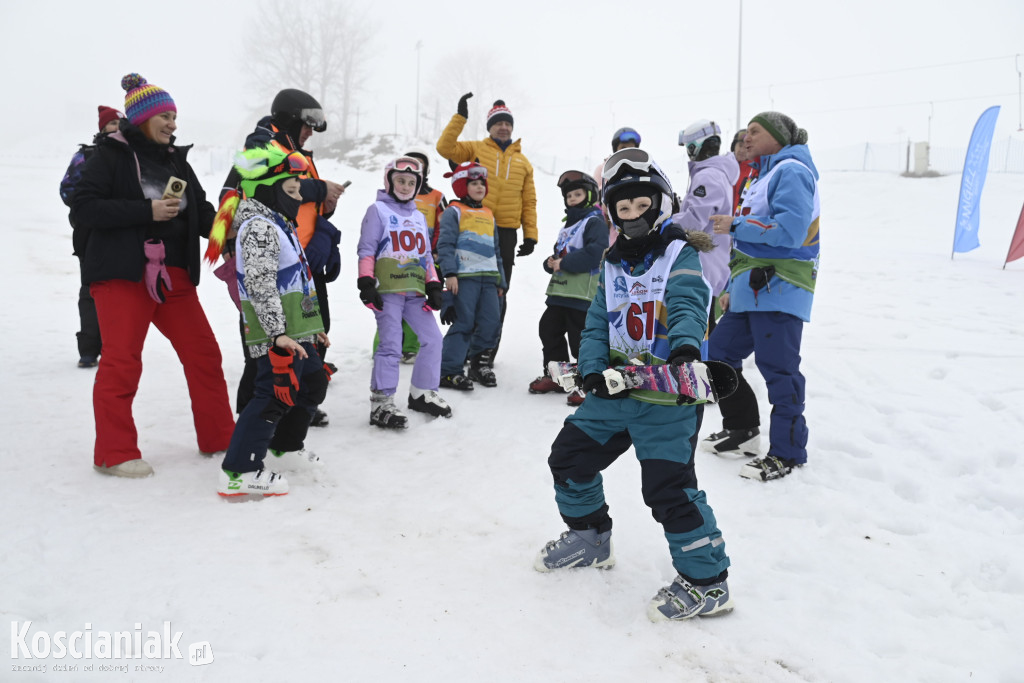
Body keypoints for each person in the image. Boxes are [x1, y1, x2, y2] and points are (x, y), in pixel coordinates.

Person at [534, 148, 733, 623]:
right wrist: (590, 368)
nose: (632, 215)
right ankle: (590, 536)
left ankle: (708, 583)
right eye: (622, 208)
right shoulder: (610, 264)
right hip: (616, 392)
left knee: (669, 489)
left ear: (661, 204)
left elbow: (687, 303)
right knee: (569, 458)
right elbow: (597, 323)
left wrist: (685, 352)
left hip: (665, 397)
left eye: (641, 205)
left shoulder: (679, 253)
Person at [72, 73, 235, 478]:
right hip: (122, 275)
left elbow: (197, 208)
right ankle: (113, 453)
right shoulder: (109, 155)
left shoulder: (176, 159)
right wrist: (145, 212)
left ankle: (220, 439)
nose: (173, 125)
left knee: (204, 356)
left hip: (173, 275)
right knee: (122, 362)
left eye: (175, 117)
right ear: (143, 117)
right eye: (165, 116)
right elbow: (84, 208)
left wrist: (228, 229)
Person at [217, 89, 345, 431]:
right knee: (264, 342)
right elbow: (244, 189)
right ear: (290, 119)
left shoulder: (294, 151)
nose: (310, 133)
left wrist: (325, 216)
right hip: (272, 262)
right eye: (307, 125)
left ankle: (296, 403)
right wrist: (320, 189)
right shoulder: (263, 146)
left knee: (313, 332)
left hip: (302, 258)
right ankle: (251, 416)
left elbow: (301, 200)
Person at [706, 111, 820, 481]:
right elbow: (749, 245)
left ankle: (788, 453)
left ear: (778, 136)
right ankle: (743, 429)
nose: (747, 138)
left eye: (756, 131)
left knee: (779, 371)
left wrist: (735, 223)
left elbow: (790, 232)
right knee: (718, 354)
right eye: (746, 132)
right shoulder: (763, 175)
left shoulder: (792, 171)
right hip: (750, 290)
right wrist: (729, 289)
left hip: (781, 289)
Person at [217, 145, 331, 497]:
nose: (298, 199)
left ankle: (284, 447)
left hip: (299, 331)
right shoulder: (260, 228)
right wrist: (276, 334)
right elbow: (260, 284)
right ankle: (239, 471)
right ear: (267, 189)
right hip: (276, 333)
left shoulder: (278, 223)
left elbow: (297, 280)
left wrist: (314, 328)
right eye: (292, 191)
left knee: (311, 383)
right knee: (273, 395)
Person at [435, 93, 537, 361]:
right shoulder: (476, 149)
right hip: (472, 226)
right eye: (497, 123)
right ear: (490, 127)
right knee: (469, 292)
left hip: (504, 233)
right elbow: (445, 148)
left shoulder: (524, 162)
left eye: (507, 123)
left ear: (512, 128)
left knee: (497, 294)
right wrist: (460, 118)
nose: (503, 127)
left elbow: (529, 200)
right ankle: (462, 349)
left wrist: (530, 235)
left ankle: (485, 353)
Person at [357, 157, 450, 429]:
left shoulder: (419, 216)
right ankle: (381, 402)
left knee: (433, 340)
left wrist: (433, 283)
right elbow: (367, 249)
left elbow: (425, 256)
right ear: (389, 181)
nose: (406, 186)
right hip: (388, 289)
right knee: (391, 346)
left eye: (412, 182)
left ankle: (422, 392)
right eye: (401, 180)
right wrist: (365, 281)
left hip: (415, 289)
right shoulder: (378, 210)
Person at [527, 170, 608, 406]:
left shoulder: (595, 221)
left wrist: (565, 262)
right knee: (548, 329)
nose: (572, 199)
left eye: (577, 194)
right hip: (560, 293)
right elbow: (561, 253)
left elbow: (595, 254)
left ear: (590, 195)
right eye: (569, 195)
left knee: (580, 340)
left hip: (581, 295)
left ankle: (588, 382)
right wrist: (550, 262)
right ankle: (559, 376)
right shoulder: (569, 226)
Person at [371, 147, 450, 365]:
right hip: (394, 261)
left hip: (423, 259)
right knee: (390, 307)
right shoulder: (389, 199)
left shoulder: (436, 197)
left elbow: (442, 226)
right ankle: (383, 348)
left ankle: (411, 348)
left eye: (419, 165)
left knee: (418, 303)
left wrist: (435, 253)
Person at [60, 105, 122, 368]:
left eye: (121, 125)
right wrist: (92, 205)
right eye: (112, 125)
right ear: (102, 128)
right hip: (91, 234)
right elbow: (67, 190)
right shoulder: (85, 156)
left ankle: (116, 346)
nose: (117, 130)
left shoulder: (131, 155)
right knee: (91, 290)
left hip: (122, 231)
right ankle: (89, 347)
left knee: (120, 291)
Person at [436, 162, 506, 390]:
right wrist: (450, 273)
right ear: (462, 187)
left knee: (491, 322)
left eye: (481, 184)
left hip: (488, 279)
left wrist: (500, 280)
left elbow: (497, 250)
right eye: (473, 183)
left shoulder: (488, 214)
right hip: (464, 278)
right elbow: (445, 244)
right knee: (464, 322)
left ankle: (478, 364)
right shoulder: (453, 211)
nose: (479, 188)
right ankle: (448, 370)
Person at [672, 119, 739, 344]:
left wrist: (665, 222)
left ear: (695, 147)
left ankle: (710, 378)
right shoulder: (717, 174)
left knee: (699, 338)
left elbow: (694, 221)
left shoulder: (707, 176)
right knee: (704, 333)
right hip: (712, 266)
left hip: (703, 269)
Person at [594, 127, 642, 247]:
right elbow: (596, 197)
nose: (627, 152)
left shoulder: (643, 168)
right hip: (613, 227)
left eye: (632, 148)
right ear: (616, 150)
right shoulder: (604, 169)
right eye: (623, 148)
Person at [730, 128, 758, 215]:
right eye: (740, 145)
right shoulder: (725, 168)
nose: (742, 150)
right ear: (733, 146)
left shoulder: (755, 171)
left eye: (746, 147)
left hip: (740, 221)